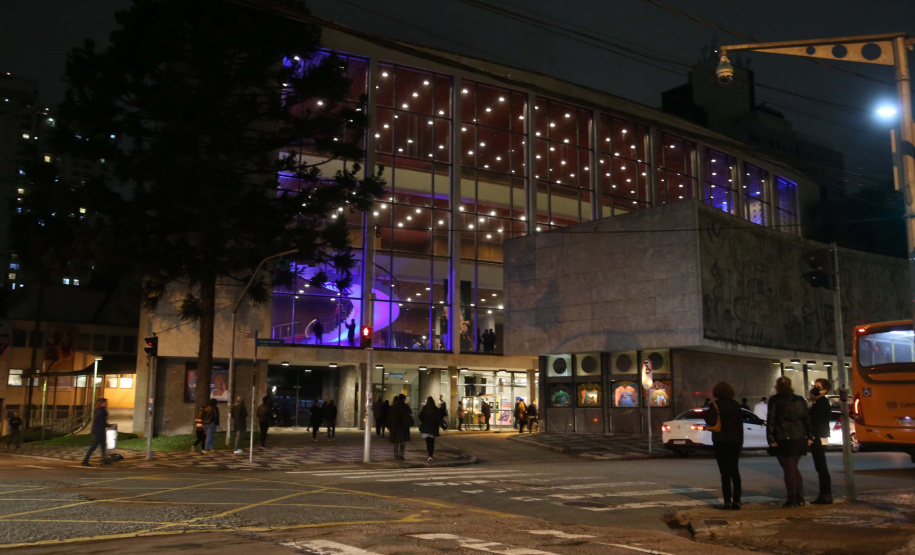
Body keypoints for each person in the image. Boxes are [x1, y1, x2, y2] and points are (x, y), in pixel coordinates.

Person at [766, 376, 813, 507]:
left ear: (777, 386)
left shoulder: (775, 400)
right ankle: (800, 497)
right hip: (799, 436)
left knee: (788, 469)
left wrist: (770, 439)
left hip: (783, 437)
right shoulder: (799, 399)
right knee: (793, 468)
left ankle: (792, 498)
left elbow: (771, 420)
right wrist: (810, 435)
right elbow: (806, 418)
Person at [704, 382, 744, 510]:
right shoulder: (736, 405)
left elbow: (709, 421)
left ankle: (727, 501)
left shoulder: (714, 405)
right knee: (735, 471)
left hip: (720, 441)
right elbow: (740, 426)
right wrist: (740, 443)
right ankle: (737, 501)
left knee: (724, 473)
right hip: (734, 441)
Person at [808, 379, 834, 504]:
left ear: (825, 390)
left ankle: (825, 494)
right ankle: (824, 493)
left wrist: (812, 436)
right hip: (819, 436)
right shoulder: (818, 402)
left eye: (819, 387)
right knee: (820, 466)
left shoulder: (822, 403)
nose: (815, 388)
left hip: (818, 437)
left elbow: (817, 421)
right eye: (815, 386)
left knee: (821, 466)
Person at [82, 398, 110, 467]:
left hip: (99, 431)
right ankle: (85, 461)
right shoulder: (100, 411)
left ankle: (104, 460)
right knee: (94, 447)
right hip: (99, 431)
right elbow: (101, 421)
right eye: (105, 402)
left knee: (103, 446)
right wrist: (108, 425)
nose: (107, 403)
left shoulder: (99, 410)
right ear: (101, 403)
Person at [387, 394, 413, 460]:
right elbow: (410, 412)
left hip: (395, 426)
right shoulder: (405, 406)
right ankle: (401, 455)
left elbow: (389, 416)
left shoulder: (393, 406)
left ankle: (396, 455)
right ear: (403, 399)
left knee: (396, 442)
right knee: (403, 442)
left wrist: (388, 425)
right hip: (404, 426)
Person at [419, 396, 440, 462]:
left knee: (428, 442)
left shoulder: (425, 408)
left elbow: (420, 416)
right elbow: (438, 419)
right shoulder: (435, 409)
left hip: (426, 428)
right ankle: (431, 455)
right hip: (432, 428)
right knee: (432, 442)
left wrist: (424, 421)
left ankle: (429, 455)